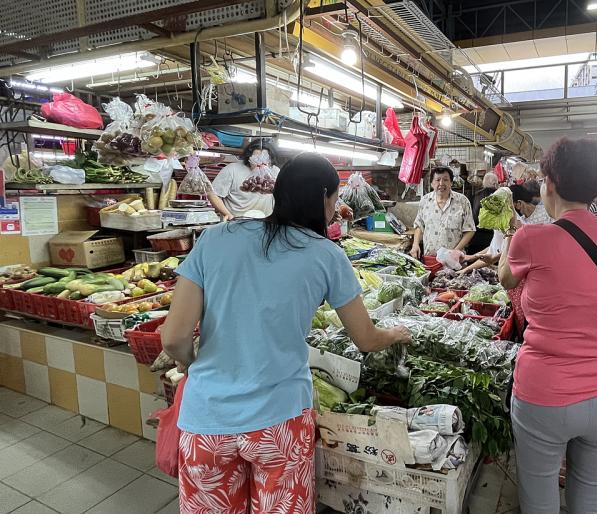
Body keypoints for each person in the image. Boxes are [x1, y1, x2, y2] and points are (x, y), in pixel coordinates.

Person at [161, 153, 411, 512]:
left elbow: (173, 338)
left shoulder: (215, 238)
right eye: (335, 198)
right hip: (279, 423)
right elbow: (367, 339)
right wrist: (397, 334)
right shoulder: (327, 256)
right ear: (323, 196)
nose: (335, 207)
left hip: (207, 422)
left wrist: (190, 364)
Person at [498, 138, 597, 514]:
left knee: (539, 492)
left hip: (544, 391)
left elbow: (506, 280)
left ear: (550, 184)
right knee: (590, 494)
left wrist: (510, 236)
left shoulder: (531, 236)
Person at [411, 166, 476, 259]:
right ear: (432, 183)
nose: (441, 183)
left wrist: (455, 252)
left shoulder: (462, 201)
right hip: (430, 258)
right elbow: (419, 225)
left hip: (455, 259)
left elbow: (470, 230)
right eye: (437, 180)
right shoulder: (425, 200)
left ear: (451, 183)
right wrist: (415, 244)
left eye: (445, 180)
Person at [207, 140, 280, 220]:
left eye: (264, 160)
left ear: (270, 160)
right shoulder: (232, 169)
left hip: (265, 224)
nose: (260, 163)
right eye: (256, 159)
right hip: (236, 223)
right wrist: (228, 215)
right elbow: (213, 194)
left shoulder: (275, 171)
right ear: (249, 157)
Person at [466, 173, 499, 255]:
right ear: (495, 184)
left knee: (473, 263)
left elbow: (472, 217)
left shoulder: (476, 195)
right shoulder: (499, 196)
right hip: (493, 237)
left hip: (476, 237)